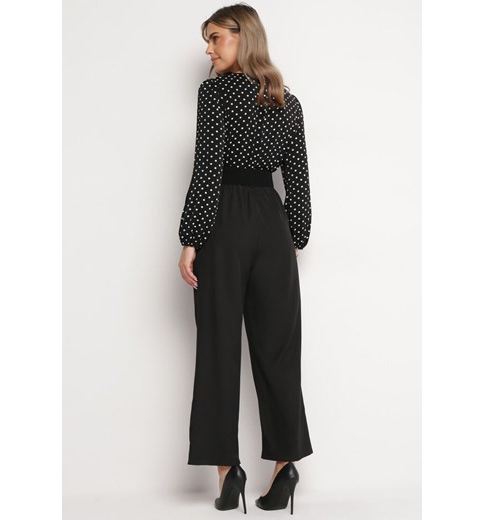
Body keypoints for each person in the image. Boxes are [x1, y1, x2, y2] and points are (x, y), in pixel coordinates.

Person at [177, 3, 313, 514]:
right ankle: (285, 467)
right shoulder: (287, 101)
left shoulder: (214, 93)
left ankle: (226, 472)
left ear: (243, 37)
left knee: (218, 347)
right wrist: (293, 238)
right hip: (272, 225)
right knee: (279, 351)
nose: (209, 49)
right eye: (208, 40)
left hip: (224, 222)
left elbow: (208, 167)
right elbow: (298, 180)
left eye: (216, 38)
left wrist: (191, 238)